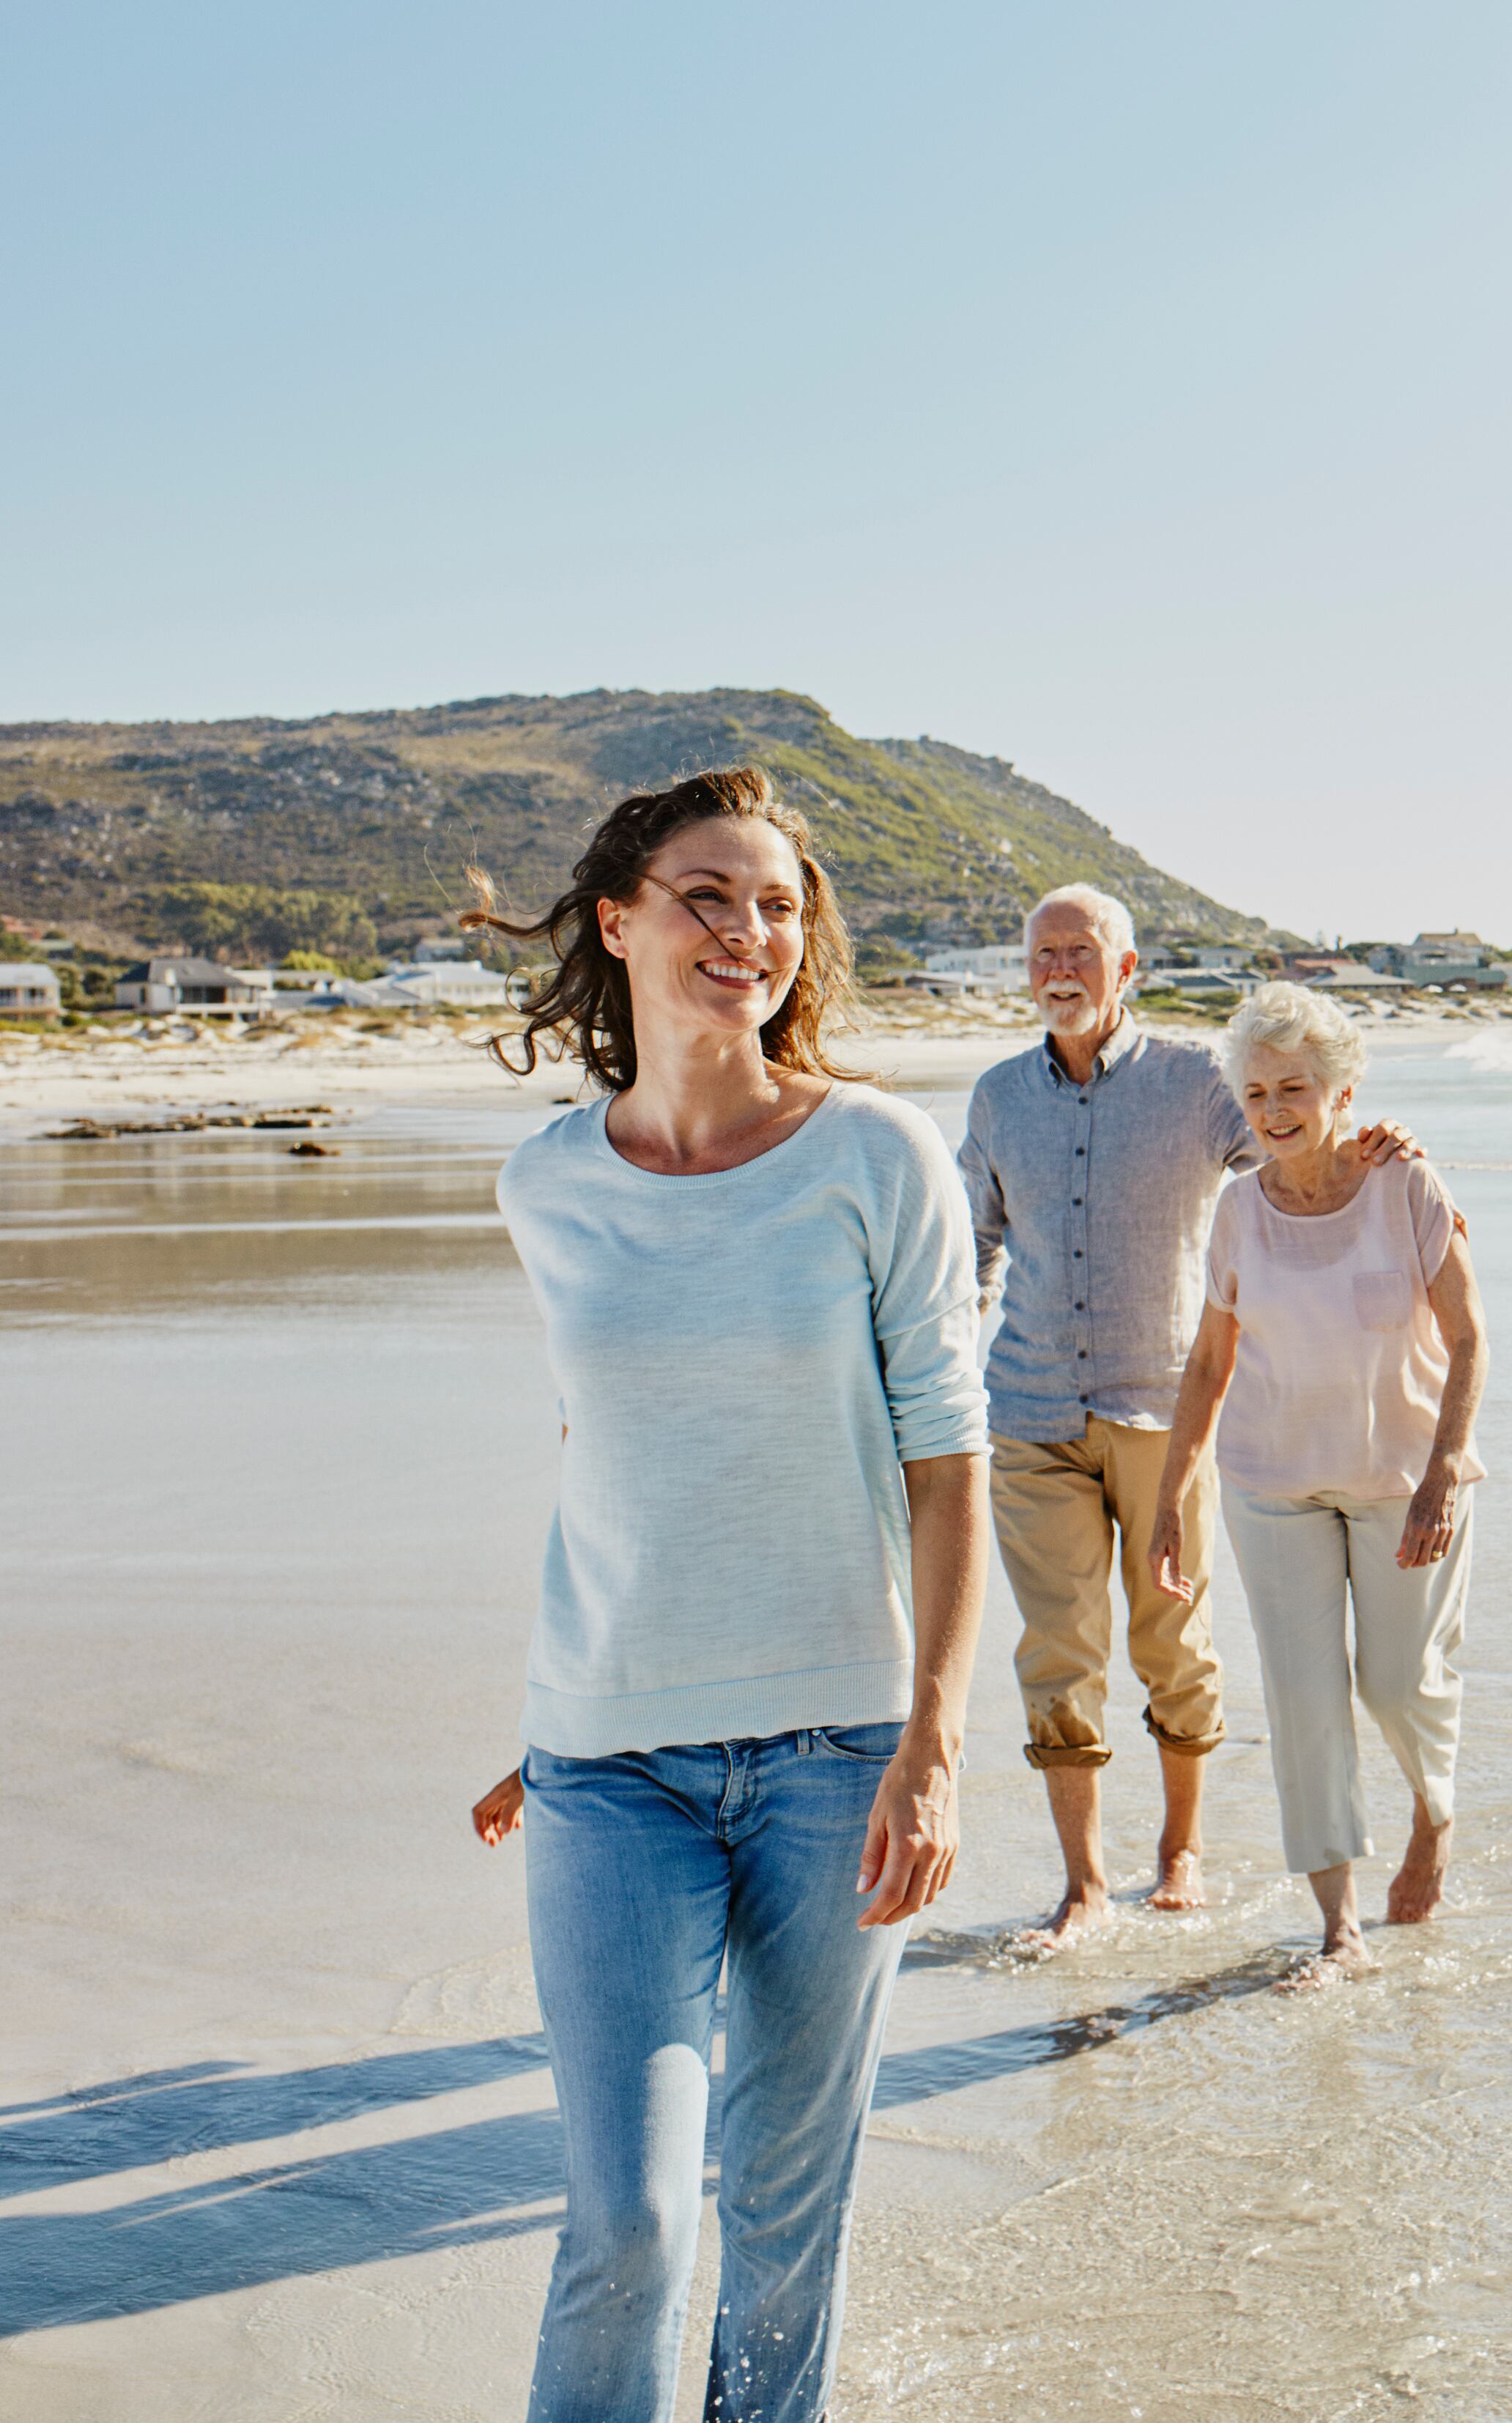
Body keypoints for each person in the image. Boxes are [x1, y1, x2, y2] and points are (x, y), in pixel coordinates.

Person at [459, 766, 990, 2423]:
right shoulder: (546, 1184)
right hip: (607, 1763)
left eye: (777, 903)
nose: (749, 931)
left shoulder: (877, 1154)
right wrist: (550, 1715)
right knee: (625, 2214)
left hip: (839, 1753)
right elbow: (610, 1450)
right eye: (708, 895)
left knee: (780, 2210)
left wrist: (936, 1740)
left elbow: (947, 1460)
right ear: (616, 920)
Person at [953, 885, 1423, 1955]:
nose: (1058, 967)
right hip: (1029, 1409)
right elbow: (971, 1251)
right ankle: (1082, 1883)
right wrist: (932, 1379)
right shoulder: (993, 1098)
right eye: (1042, 952)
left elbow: (1293, 1164)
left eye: (1082, 950)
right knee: (1057, 1652)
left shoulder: (1198, 1085)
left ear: (1128, 972)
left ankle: (1180, 1852)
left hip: (1168, 1409)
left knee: (1175, 1640)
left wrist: (1369, 1147)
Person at [1148, 980, 1486, 1990]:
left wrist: (1444, 1473)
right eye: (1256, 1093)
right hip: (1273, 1483)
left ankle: (1433, 1811)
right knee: (1303, 1700)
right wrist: (1172, 1497)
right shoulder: (1239, 1210)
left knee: (1397, 1681)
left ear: (1343, 1091)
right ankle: (1337, 1928)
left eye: (1295, 1085)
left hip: (1403, 1478)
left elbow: (1469, 1340)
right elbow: (1210, 1363)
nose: (1275, 1109)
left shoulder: (1408, 1186)